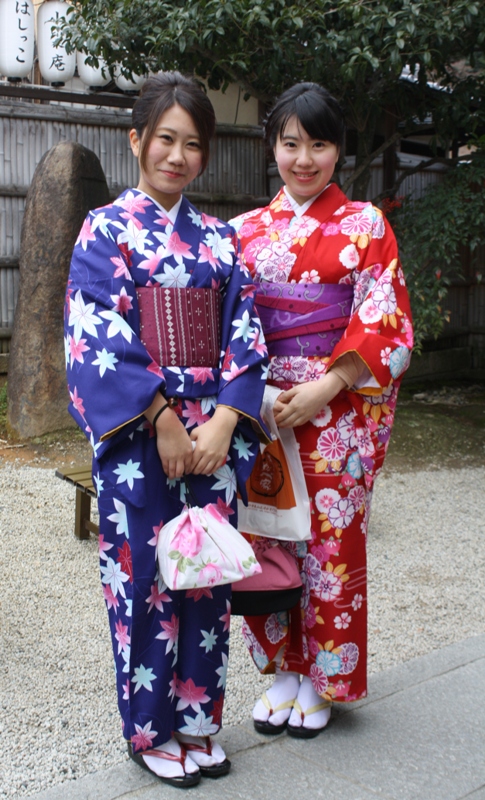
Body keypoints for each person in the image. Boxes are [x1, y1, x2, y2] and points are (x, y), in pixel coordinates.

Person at [65, 72, 268, 788]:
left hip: (210, 432)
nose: (177, 156)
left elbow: (245, 336)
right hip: (141, 439)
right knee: (145, 577)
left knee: (207, 576)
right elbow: (97, 337)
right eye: (164, 140)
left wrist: (222, 423)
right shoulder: (106, 230)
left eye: (192, 145)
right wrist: (159, 421)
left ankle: (197, 718)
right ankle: (149, 727)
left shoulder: (218, 239)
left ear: (203, 154)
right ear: (136, 141)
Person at [230, 82, 413, 738]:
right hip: (265, 410)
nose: (303, 158)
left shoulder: (364, 224)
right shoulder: (243, 234)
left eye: (319, 143)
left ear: (338, 149)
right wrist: (251, 392)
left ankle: (322, 679)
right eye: (290, 143)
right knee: (267, 538)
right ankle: (281, 669)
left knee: (329, 546)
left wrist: (328, 385)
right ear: (271, 146)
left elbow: (384, 322)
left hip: (334, 415)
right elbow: (228, 328)